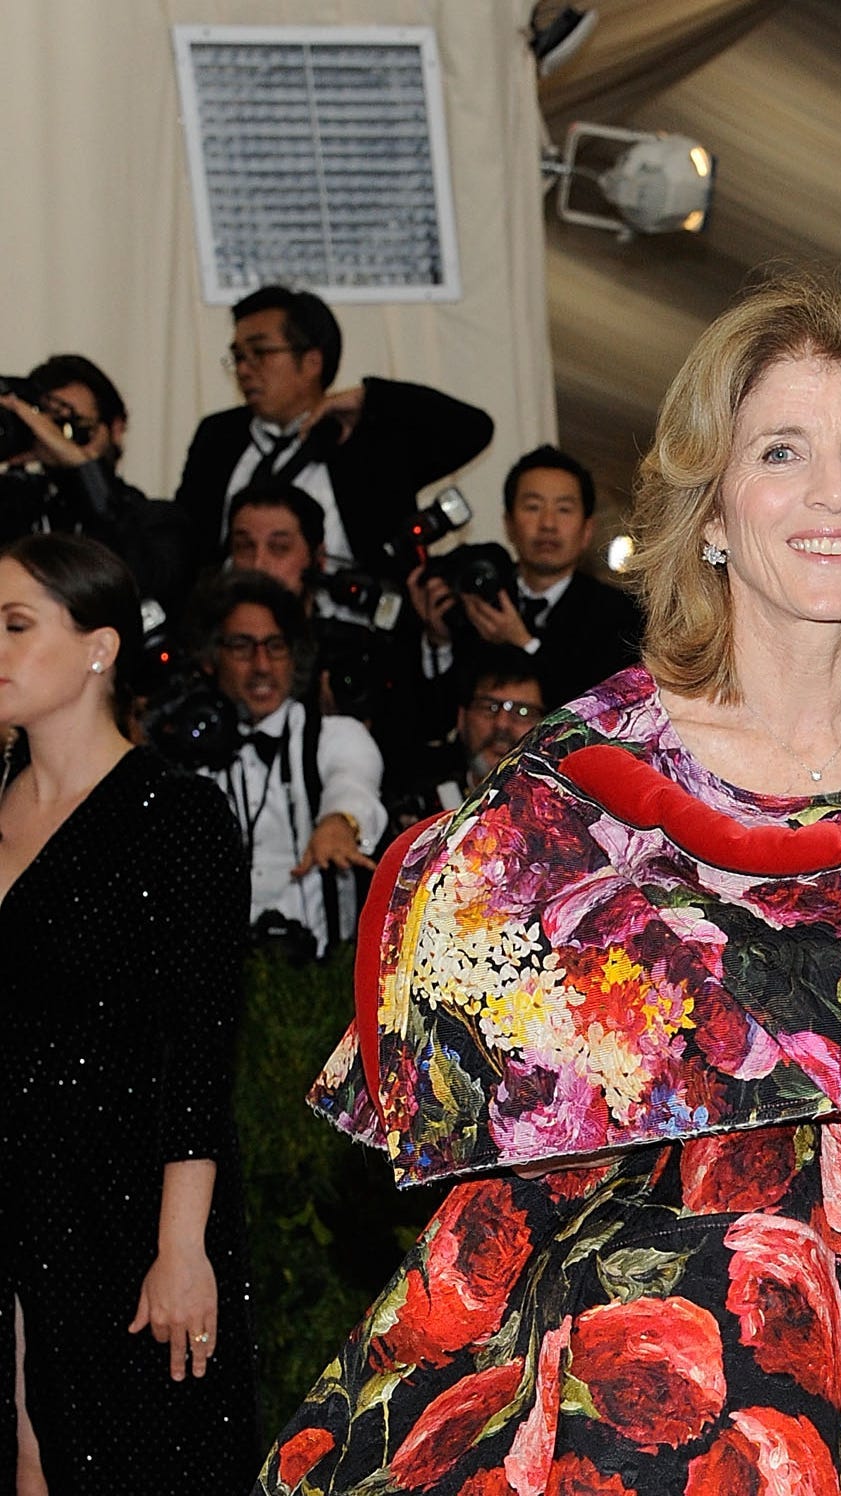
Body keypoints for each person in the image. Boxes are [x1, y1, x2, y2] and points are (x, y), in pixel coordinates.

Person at [254, 275, 841, 1494]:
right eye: (782, 450)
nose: (834, 492)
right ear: (714, 514)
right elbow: (454, 1089)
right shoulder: (572, 785)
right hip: (643, 1357)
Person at [0, 533, 256, 1491]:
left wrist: (181, 1247)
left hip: (120, 1207)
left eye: (16, 625)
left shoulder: (175, 815)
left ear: (100, 645)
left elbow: (198, 1048)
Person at [174, 285, 494, 574]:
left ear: (312, 362)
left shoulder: (368, 437)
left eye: (260, 353)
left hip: (351, 629)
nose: (244, 369)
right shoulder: (218, 437)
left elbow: (473, 429)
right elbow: (186, 539)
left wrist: (369, 397)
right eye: (238, 356)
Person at [197, 570, 387, 955]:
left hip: (317, 972)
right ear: (212, 657)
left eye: (275, 646)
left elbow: (353, 779)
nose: (262, 665)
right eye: (242, 646)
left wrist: (340, 823)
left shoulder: (334, 734)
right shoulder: (190, 747)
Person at [409, 444, 645, 710]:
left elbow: (601, 713)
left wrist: (524, 643)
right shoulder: (479, 593)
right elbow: (437, 712)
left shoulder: (617, 615)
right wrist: (439, 641)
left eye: (564, 509)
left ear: (587, 530)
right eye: (533, 507)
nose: (548, 524)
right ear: (508, 524)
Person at [0, 354, 196, 613]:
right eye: (48, 428)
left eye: (75, 428)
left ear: (116, 428)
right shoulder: (15, 507)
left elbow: (139, 583)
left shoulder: (156, 520)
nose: (58, 442)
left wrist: (85, 470)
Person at [381, 647, 546, 828]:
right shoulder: (418, 808)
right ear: (461, 718)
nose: (502, 724)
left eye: (522, 711)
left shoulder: (559, 819)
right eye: (489, 707)